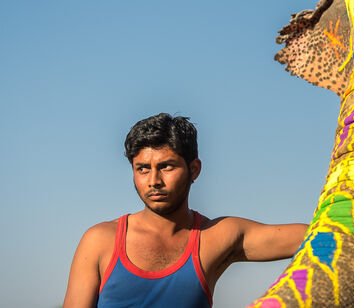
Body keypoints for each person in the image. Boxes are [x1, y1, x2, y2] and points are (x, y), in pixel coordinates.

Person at [63, 113, 308, 308]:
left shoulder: (217, 236)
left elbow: (325, 235)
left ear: (194, 170)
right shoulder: (100, 240)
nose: (153, 180)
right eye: (142, 169)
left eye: (166, 166)